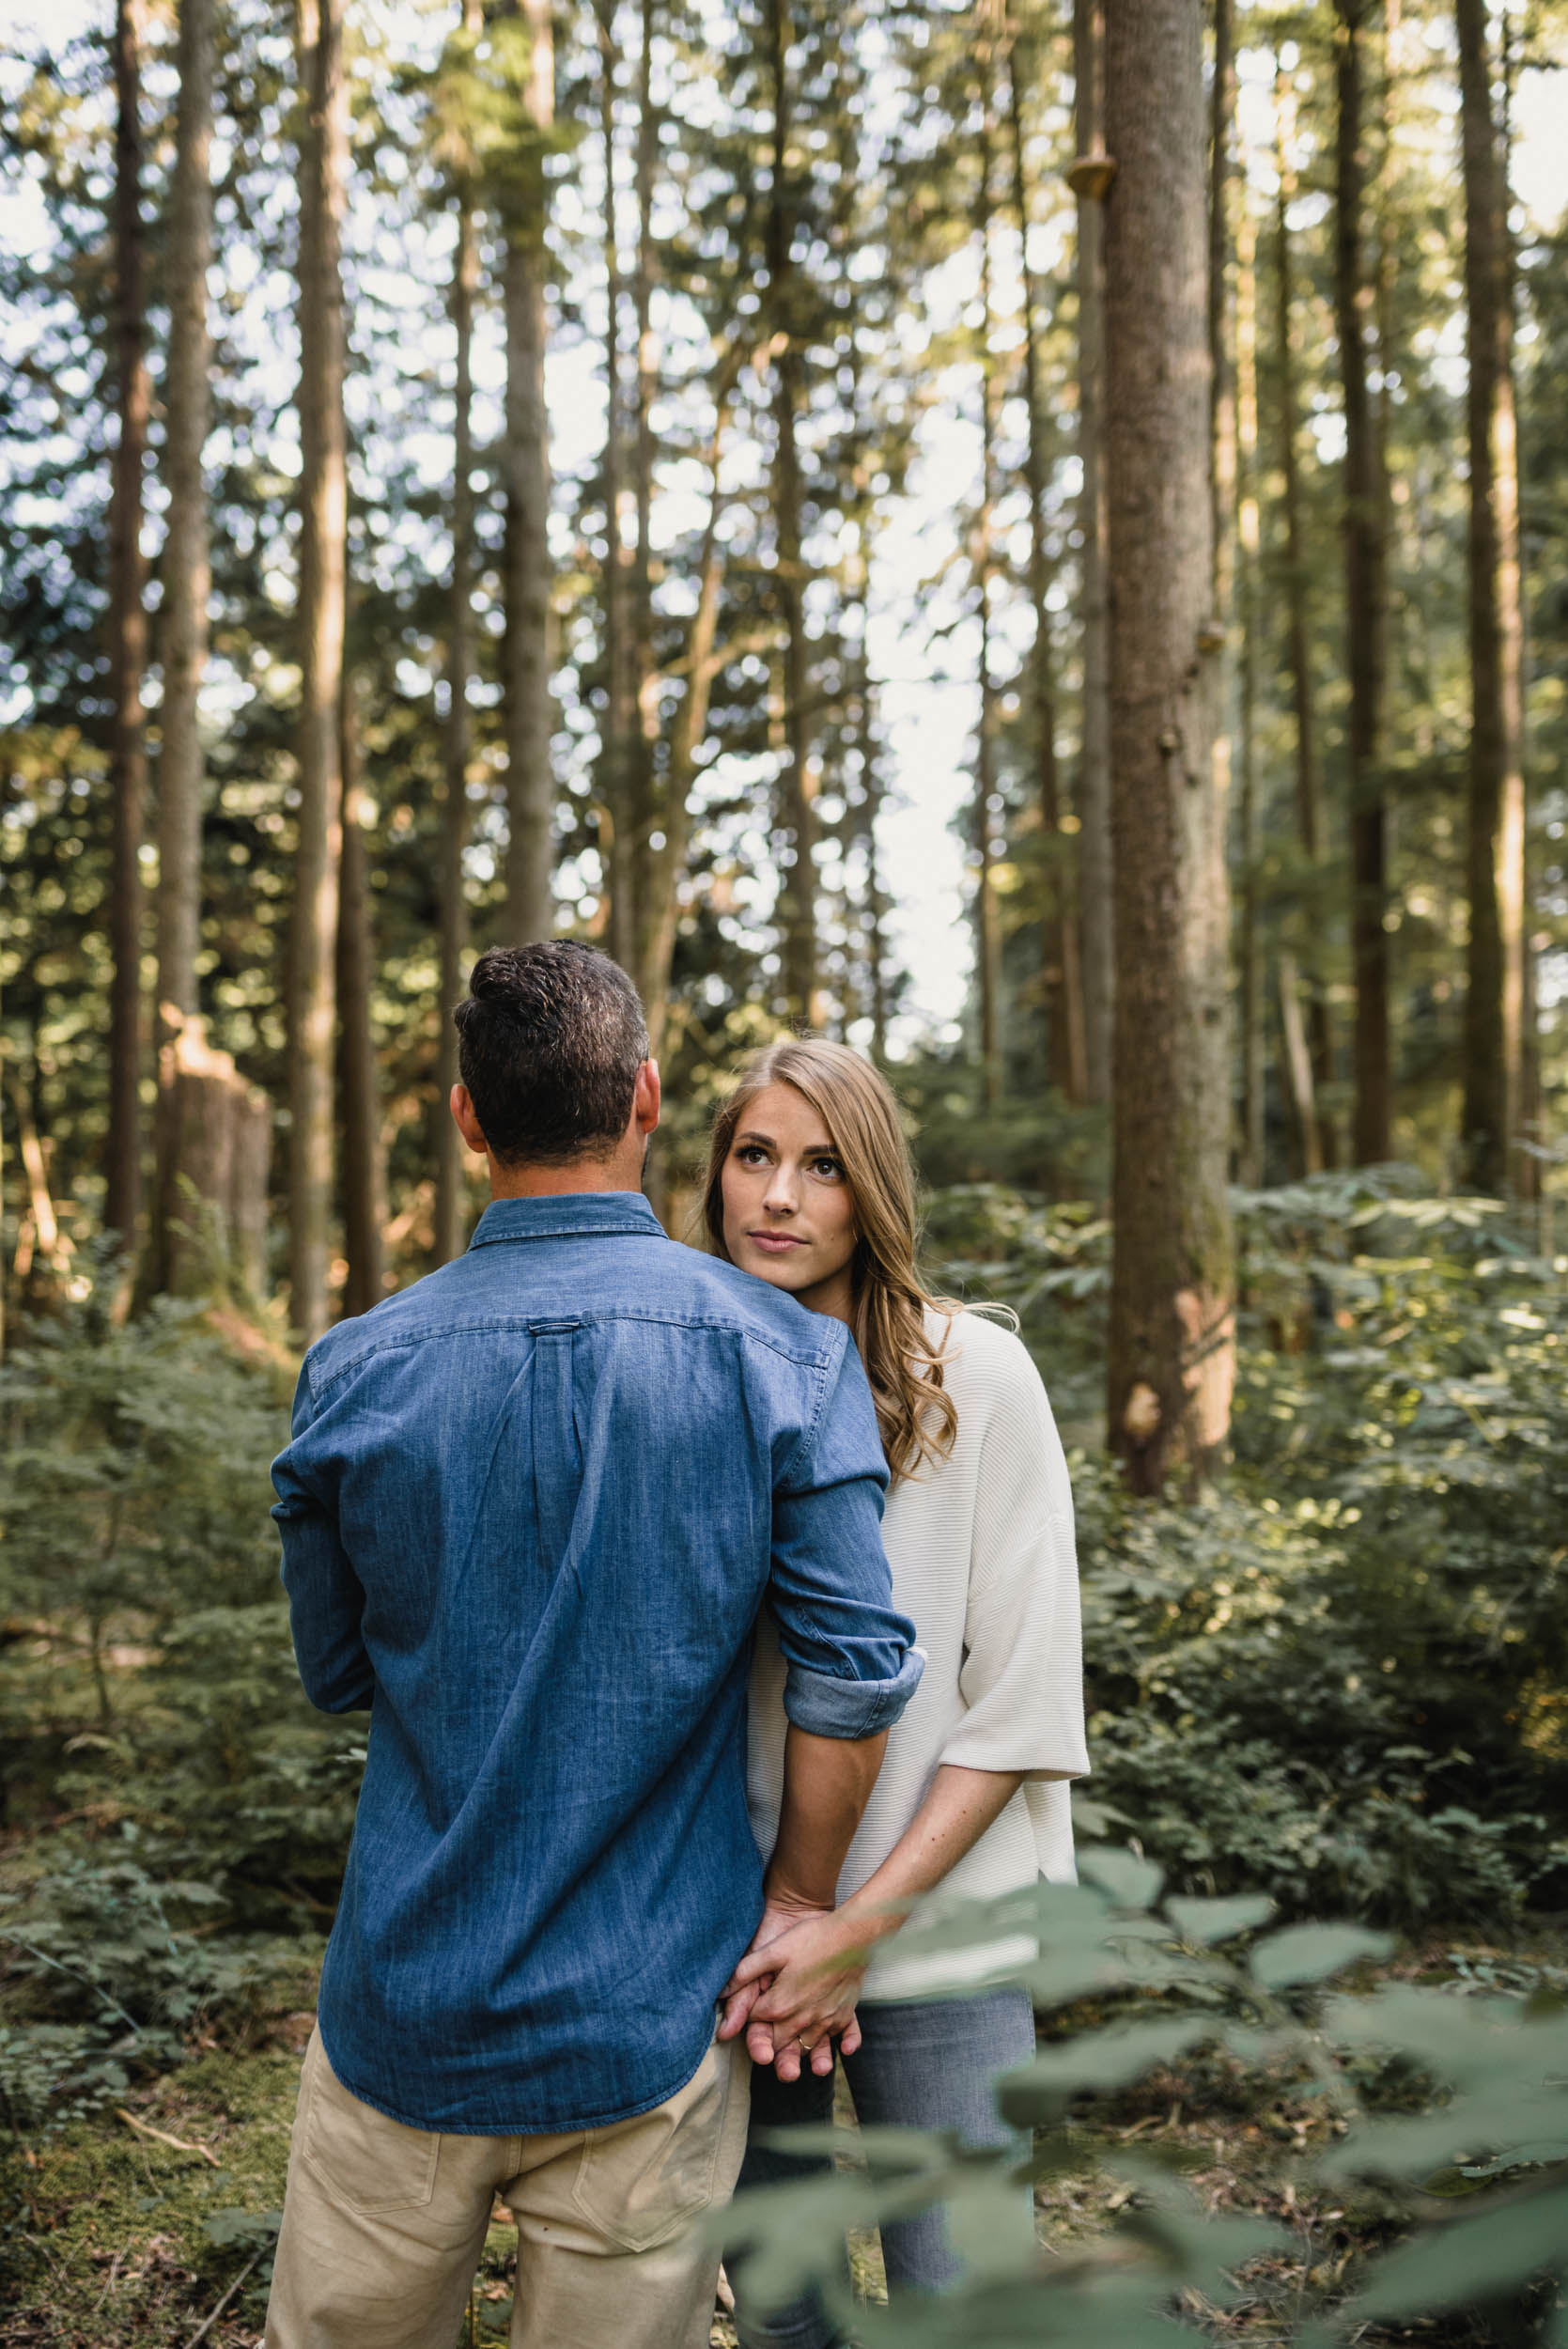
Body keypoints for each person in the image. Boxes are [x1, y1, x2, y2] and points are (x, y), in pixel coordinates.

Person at [264, 945, 924, 2349]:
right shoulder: (781, 1360)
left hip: (405, 2012)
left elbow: (334, 1674)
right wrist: (803, 1900)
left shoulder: (354, 1370)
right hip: (646, 2022)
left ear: (465, 1118)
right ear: (645, 1097)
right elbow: (855, 1669)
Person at [706, 1038, 1088, 2347]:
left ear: (871, 1191)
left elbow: (1024, 1705)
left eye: (821, 1167)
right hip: (739, 1938)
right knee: (782, 2314)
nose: (779, 1198)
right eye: (753, 1156)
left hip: (939, 1927)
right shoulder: (683, 1379)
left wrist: (857, 1925)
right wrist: (783, 1925)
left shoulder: (973, 1376)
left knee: (964, 2304)